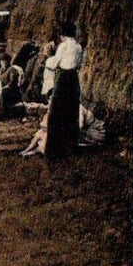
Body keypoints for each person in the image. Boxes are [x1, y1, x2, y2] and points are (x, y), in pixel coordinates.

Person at [44, 21, 84, 161]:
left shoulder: (63, 46)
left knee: (55, 113)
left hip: (63, 78)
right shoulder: (78, 47)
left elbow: (54, 65)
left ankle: (54, 149)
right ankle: (70, 147)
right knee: (71, 112)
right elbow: (79, 64)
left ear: (62, 35)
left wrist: (48, 57)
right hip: (74, 79)